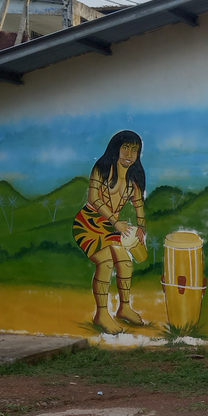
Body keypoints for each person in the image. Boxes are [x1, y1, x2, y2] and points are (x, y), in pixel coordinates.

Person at [73, 130, 147, 332]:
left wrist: (141, 228)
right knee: (106, 262)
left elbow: (139, 203)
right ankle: (101, 314)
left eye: (135, 150)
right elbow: (93, 199)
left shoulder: (133, 180)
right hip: (87, 224)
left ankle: (124, 308)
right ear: (116, 148)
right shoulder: (102, 169)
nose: (129, 155)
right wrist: (115, 221)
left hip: (110, 226)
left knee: (125, 262)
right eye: (125, 148)